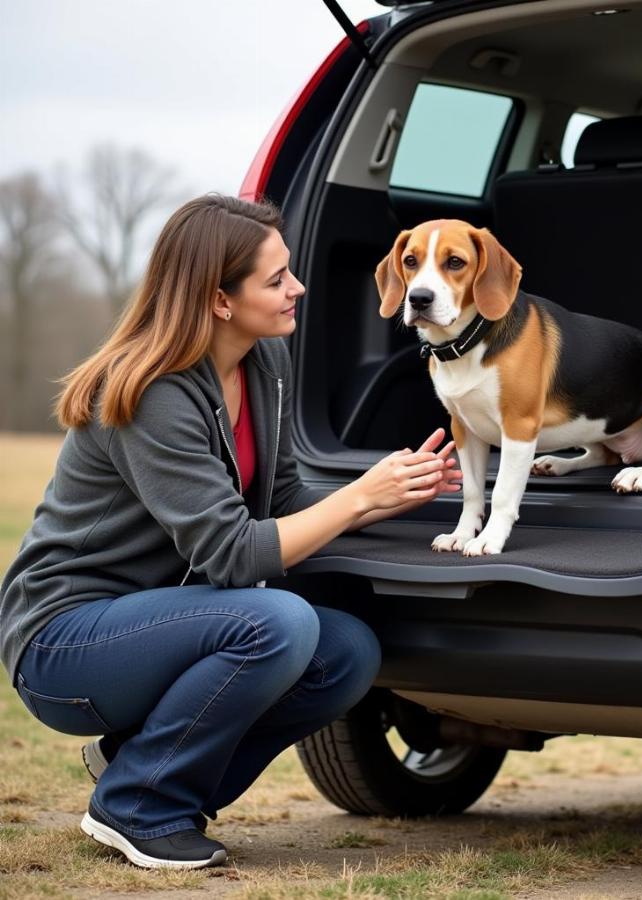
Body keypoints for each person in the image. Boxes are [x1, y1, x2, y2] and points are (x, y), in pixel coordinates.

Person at [0, 195, 461, 870]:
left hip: (164, 624)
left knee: (346, 653)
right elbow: (233, 553)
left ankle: (141, 772)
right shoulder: (151, 392)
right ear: (220, 300)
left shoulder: (261, 365)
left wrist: (388, 497)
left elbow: (283, 499)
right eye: (276, 280)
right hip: (64, 642)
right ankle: (137, 808)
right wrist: (360, 496)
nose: (296, 287)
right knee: (277, 623)